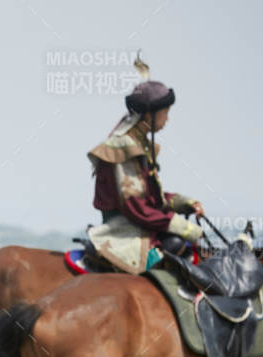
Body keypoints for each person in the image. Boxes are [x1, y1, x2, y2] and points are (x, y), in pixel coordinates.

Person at [85, 59, 205, 274]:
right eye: (165, 112)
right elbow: (136, 208)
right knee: (176, 253)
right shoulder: (124, 147)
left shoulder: (138, 144)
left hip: (142, 228)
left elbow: (152, 199)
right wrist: (186, 228)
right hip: (126, 233)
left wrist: (185, 203)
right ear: (149, 115)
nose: (167, 119)